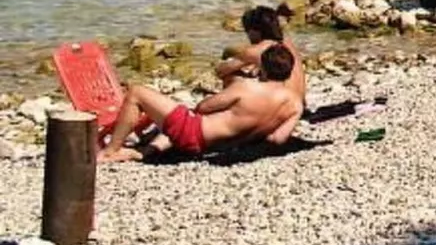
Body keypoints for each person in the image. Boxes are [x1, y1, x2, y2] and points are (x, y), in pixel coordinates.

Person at [100, 43, 304, 163]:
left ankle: (111, 151)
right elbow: (277, 139)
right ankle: (145, 151)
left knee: (136, 92)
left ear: (264, 68)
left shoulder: (248, 87)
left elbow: (204, 107)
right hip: (214, 146)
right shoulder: (295, 104)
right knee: (174, 117)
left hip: (193, 134)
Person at [216, 3, 306, 100]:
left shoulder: (257, 50)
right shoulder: (288, 45)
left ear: (255, 32)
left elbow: (220, 71)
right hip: (298, 104)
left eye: (247, 31)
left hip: (279, 106)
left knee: (231, 75)